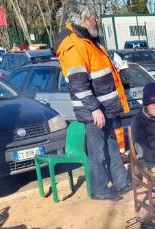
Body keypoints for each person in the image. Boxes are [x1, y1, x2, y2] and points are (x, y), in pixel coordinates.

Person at [53, 5, 130, 201]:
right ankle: (100, 189)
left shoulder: (88, 41)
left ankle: (121, 182)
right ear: (85, 20)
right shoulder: (74, 45)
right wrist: (95, 109)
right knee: (97, 152)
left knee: (111, 145)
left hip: (106, 108)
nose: (96, 21)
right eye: (94, 18)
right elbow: (79, 84)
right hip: (95, 111)